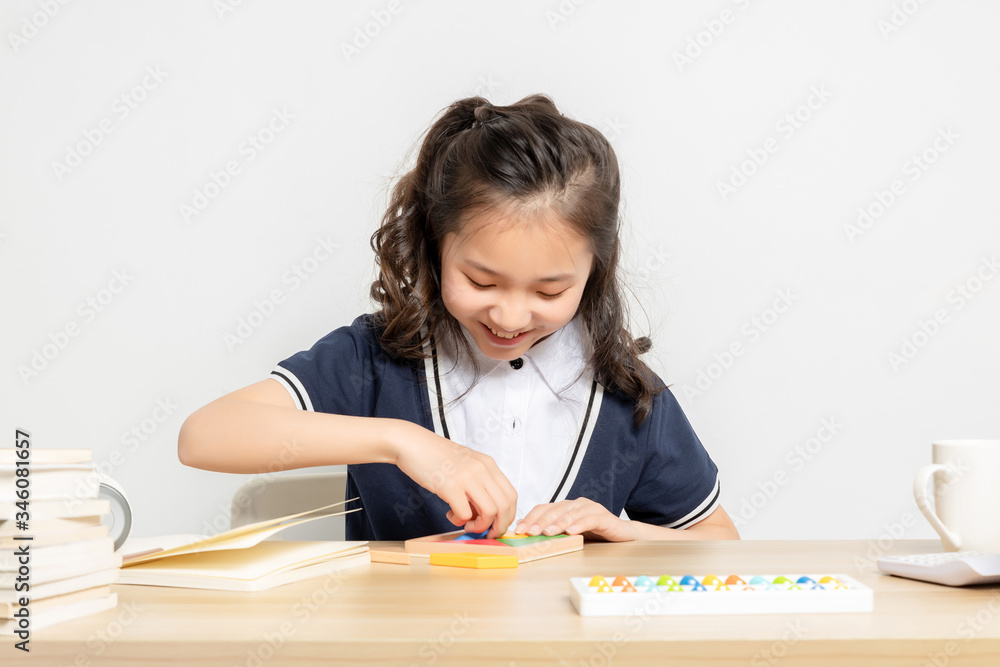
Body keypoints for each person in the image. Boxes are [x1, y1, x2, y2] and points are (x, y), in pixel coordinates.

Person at [178, 94, 739, 543]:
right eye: (481, 282)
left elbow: (720, 544)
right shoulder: (375, 360)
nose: (511, 314)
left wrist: (624, 531)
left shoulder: (625, 395)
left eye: (550, 289)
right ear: (434, 245)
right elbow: (203, 437)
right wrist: (403, 442)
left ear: (595, 272)